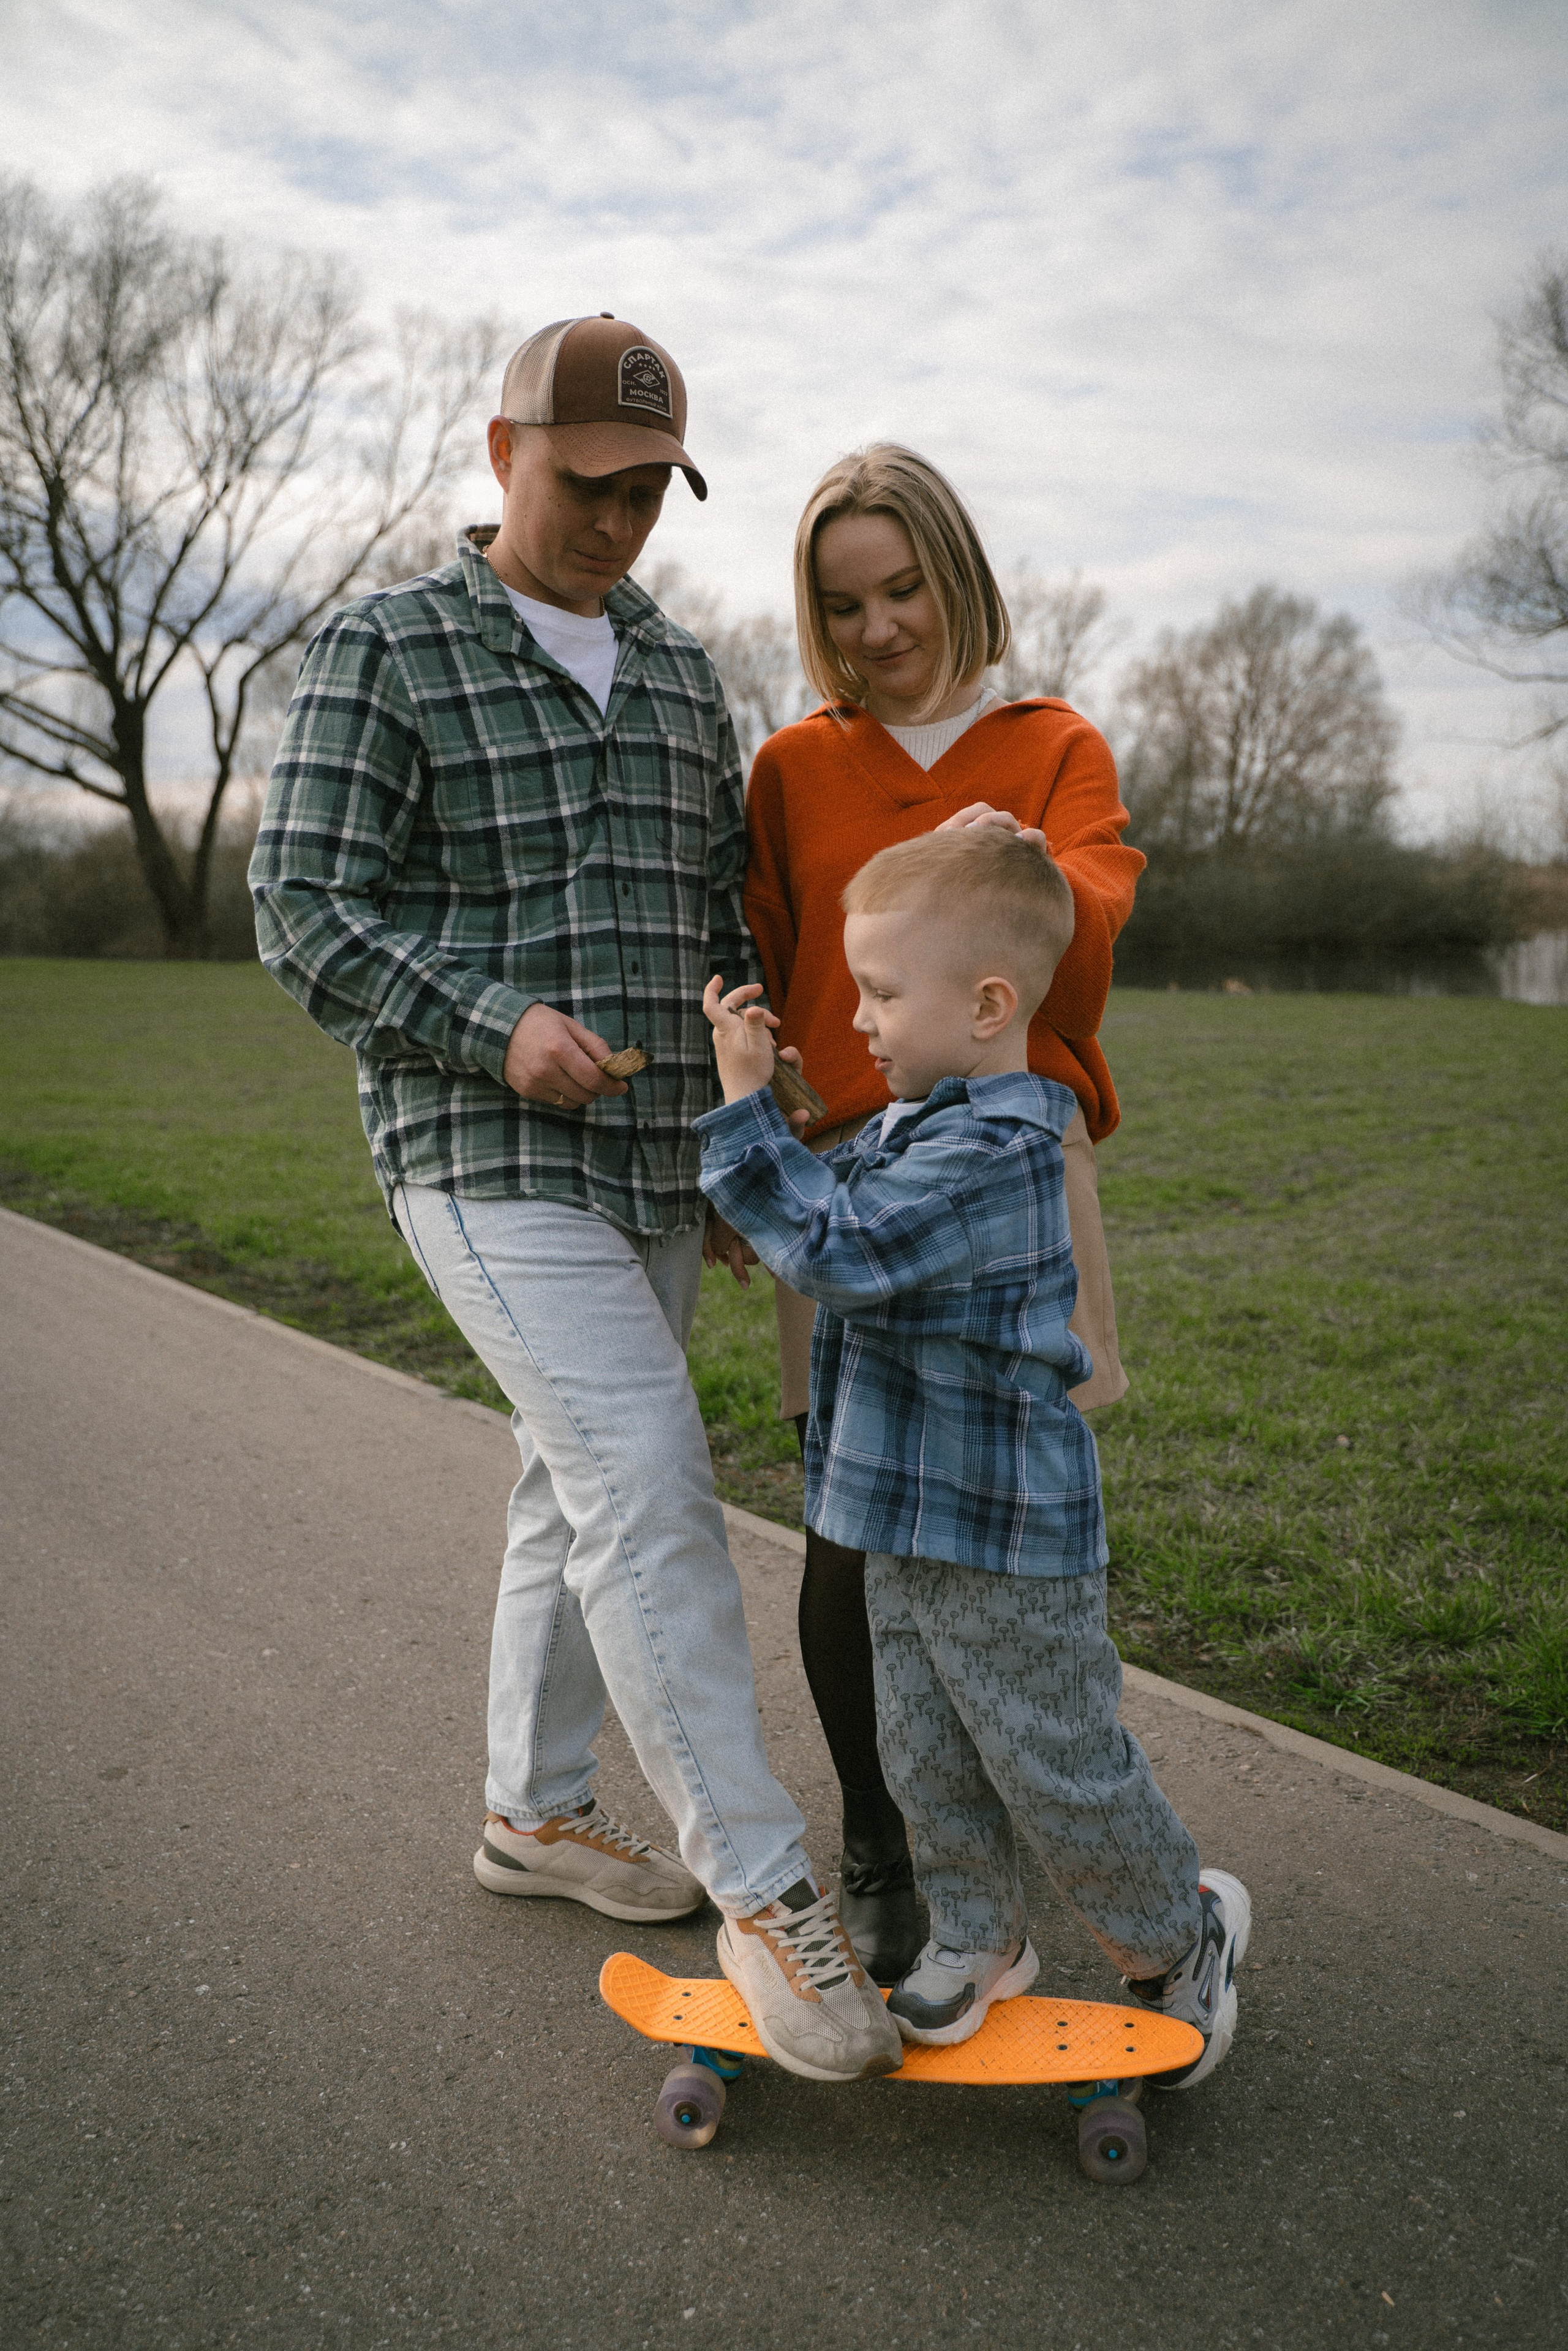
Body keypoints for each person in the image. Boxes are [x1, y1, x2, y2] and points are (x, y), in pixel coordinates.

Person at [250, 314, 900, 2086]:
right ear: (501, 452)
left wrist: (731, 1143)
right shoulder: (388, 648)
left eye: (648, 492)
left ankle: (533, 1812)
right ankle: (764, 1890)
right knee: (646, 1476)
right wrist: (496, 1024)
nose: (617, 521)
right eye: (586, 483)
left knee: (572, 1481)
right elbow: (301, 904)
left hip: (647, 1156)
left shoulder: (683, 674)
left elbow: (714, 926)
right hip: (476, 1150)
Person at [695, 826, 1251, 2077]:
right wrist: (782, 1114)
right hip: (906, 1518)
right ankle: (977, 1931)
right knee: (924, 1746)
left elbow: (838, 1250)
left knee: (1052, 1758)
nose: (857, 1018)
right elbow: (840, 1202)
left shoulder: (995, 1148)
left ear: (989, 1006)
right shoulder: (922, 1124)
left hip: (1003, 1533)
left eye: (883, 991)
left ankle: (1181, 1934)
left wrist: (740, 1112)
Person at [739, 444, 1143, 1980]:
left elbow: (1078, 960)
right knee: (852, 1532)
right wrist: (748, 1151)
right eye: (844, 606)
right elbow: (769, 954)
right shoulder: (793, 765)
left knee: (1008, 1535)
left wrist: (1031, 878)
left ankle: (1041, 1830)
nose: (880, 629)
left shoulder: (1051, 744)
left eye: (902, 588)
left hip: (1013, 1172)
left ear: (955, 574)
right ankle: (882, 1838)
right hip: (844, 1177)